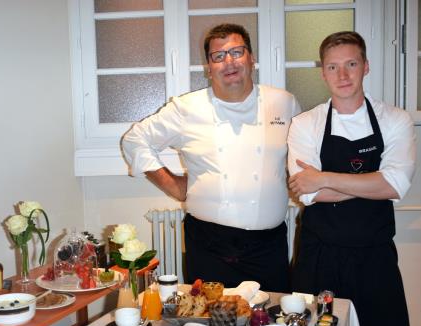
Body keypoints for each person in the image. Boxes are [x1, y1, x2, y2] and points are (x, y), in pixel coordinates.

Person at [287, 31, 415, 326]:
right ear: (322, 72)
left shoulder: (395, 119)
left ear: (366, 66)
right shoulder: (304, 123)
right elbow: (306, 194)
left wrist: (325, 178)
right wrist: (369, 185)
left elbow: (395, 186)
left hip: (373, 259)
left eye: (351, 64)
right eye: (333, 66)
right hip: (319, 256)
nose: (343, 74)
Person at [122, 24, 300, 290]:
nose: (229, 62)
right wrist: (172, 185)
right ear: (208, 67)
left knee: (270, 323)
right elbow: (134, 140)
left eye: (237, 52)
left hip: (268, 246)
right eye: (218, 56)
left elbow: (298, 157)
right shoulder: (186, 108)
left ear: (251, 58)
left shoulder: (284, 103)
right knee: (210, 325)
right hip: (209, 246)